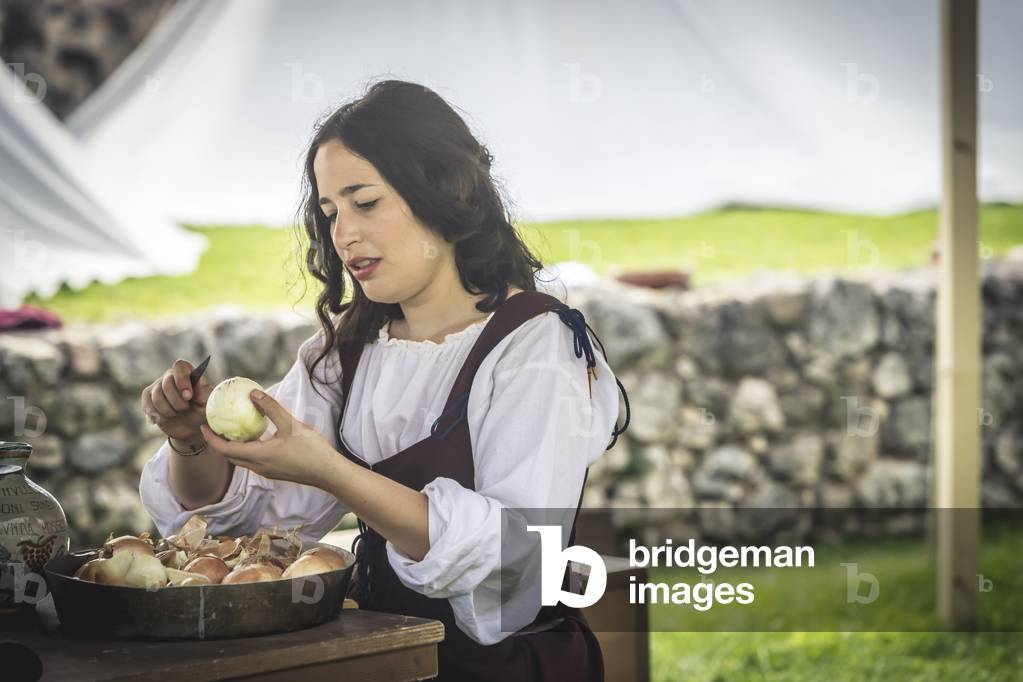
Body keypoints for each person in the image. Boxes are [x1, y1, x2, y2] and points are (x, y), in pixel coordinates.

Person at [138, 80, 628, 681]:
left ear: (446, 190)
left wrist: (331, 470)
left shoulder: (534, 344)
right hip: (383, 661)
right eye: (330, 212)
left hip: (504, 666)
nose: (343, 234)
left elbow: (517, 556)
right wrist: (192, 441)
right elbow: (248, 531)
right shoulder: (346, 346)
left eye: (365, 203)